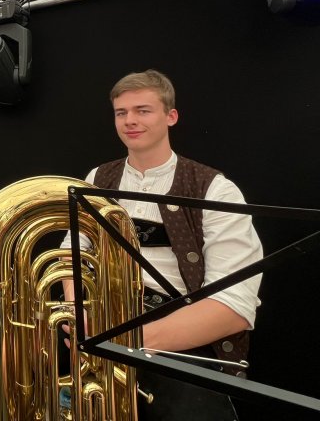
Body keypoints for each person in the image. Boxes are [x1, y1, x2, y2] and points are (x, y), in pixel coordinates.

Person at [64, 70, 262, 420]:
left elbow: (234, 306)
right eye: (121, 112)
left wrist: (126, 341)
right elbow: (72, 253)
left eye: (143, 110)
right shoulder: (97, 178)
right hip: (103, 329)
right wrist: (79, 312)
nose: (130, 120)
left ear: (171, 116)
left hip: (182, 338)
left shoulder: (215, 189)